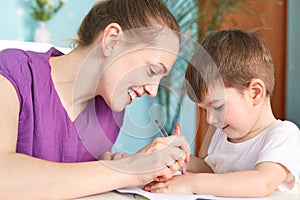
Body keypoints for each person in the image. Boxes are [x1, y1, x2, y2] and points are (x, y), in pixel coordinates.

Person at [0, 0, 190, 199]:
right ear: (112, 40)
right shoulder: (13, 73)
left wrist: (130, 165)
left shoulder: (110, 114)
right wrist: (129, 170)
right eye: (152, 70)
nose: (153, 91)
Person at [144, 29, 300, 197]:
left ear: (255, 93)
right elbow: (212, 170)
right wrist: (179, 159)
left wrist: (191, 184)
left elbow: (261, 183)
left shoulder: (284, 135)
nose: (210, 119)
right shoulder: (222, 132)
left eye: (218, 107)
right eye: (204, 109)